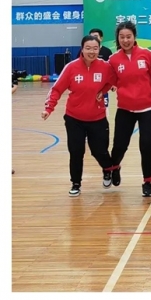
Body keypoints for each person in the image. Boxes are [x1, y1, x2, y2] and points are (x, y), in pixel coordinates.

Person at [42, 35, 117, 196]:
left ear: (99, 49)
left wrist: (103, 90)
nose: (92, 51)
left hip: (97, 118)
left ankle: (108, 169)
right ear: (82, 49)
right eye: (88, 48)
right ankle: (76, 183)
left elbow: (113, 80)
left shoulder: (105, 67)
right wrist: (49, 108)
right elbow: (57, 89)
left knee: (99, 151)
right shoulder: (71, 68)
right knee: (76, 152)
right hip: (74, 118)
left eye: (95, 48)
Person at [108, 21, 151, 196]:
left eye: (128, 36)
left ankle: (147, 181)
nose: (125, 40)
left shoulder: (147, 54)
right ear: (118, 39)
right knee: (119, 145)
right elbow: (109, 80)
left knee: (146, 146)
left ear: (134, 37)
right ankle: (115, 167)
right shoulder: (113, 60)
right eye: (122, 37)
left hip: (148, 108)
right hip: (125, 109)